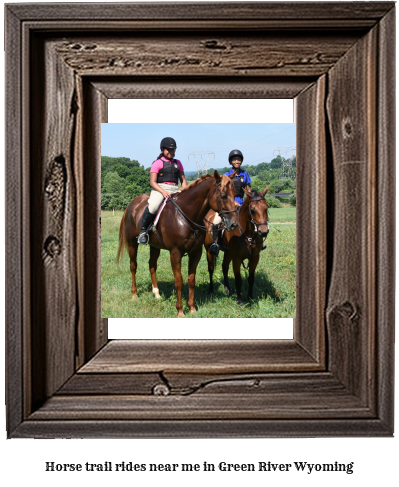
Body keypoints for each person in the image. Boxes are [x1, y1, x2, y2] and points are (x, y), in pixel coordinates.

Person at [137, 137, 188, 244]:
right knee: (154, 206)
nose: (171, 152)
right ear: (162, 150)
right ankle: (143, 232)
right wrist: (163, 192)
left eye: (173, 149)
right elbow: (152, 182)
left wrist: (184, 189)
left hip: (175, 189)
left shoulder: (178, 163)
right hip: (160, 189)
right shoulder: (157, 163)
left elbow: (183, 179)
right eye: (168, 149)